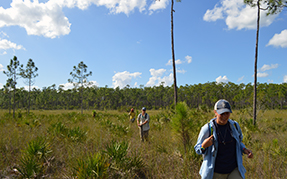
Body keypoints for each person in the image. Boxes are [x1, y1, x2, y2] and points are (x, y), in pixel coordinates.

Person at [194, 99, 253, 179]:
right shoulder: (208, 128)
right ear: (215, 112)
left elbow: (238, 143)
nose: (225, 116)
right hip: (215, 172)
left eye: (227, 113)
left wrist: (244, 149)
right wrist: (203, 146)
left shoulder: (234, 126)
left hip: (233, 169)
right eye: (222, 113)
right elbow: (197, 149)